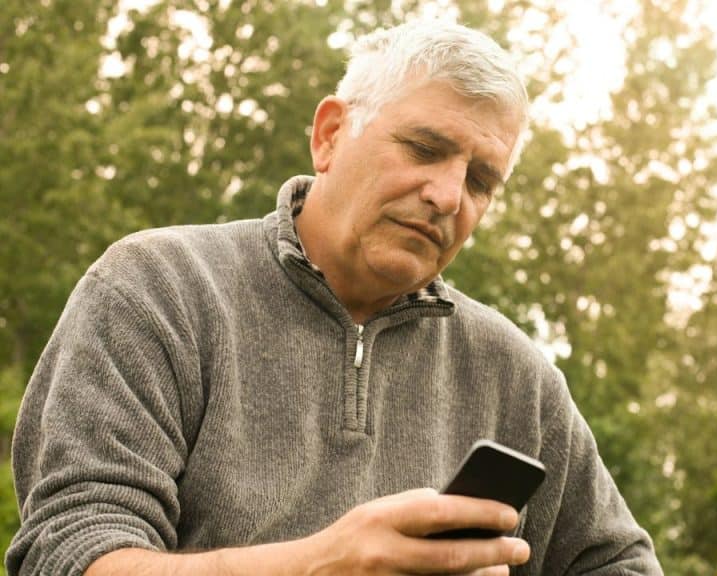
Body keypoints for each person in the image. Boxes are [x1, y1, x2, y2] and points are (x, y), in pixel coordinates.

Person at [6, 19, 663, 576]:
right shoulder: (159, 288)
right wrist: (315, 564)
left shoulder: (513, 373)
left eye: (481, 179)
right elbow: (68, 553)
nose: (448, 195)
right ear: (329, 136)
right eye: (425, 148)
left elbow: (619, 562)